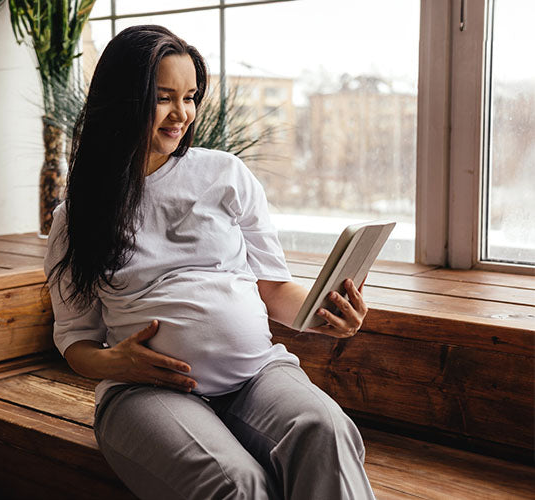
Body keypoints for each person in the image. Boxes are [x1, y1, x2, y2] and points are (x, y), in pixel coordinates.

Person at [44, 24, 376, 500]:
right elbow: (74, 340)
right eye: (163, 97)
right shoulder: (77, 216)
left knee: (327, 430)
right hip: (144, 393)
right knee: (236, 485)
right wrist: (115, 361)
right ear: (123, 100)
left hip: (256, 375)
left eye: (190, 96)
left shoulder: (225, 173)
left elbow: (273, 288)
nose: (182, 114)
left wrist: (325, 315)